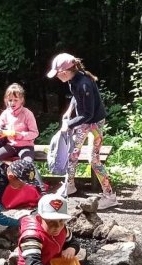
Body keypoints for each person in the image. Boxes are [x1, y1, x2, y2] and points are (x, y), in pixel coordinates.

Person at [47, 53, 118, 210]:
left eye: (57, 74)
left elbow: (88, 115)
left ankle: (110, 196)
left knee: (94, 159)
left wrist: (69, 124)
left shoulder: (84, 83)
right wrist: (69, 110)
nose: (57, 77)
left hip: (94, 123)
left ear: (65, 72)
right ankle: (70, 185)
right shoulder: (73, 79)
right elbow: (76, 97)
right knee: (72, 154)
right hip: (83, 121)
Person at [0, 83, 44, 190]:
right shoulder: (5, 114)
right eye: (10, 100)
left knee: (28, 164)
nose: (12, 103)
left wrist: (19, 135)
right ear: (6, 100)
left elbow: (35, 133)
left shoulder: (27, 113)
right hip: (11, 145)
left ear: (22, 100)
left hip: (26, 146)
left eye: (15, 100)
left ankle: (40, 189)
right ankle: (0, 182)